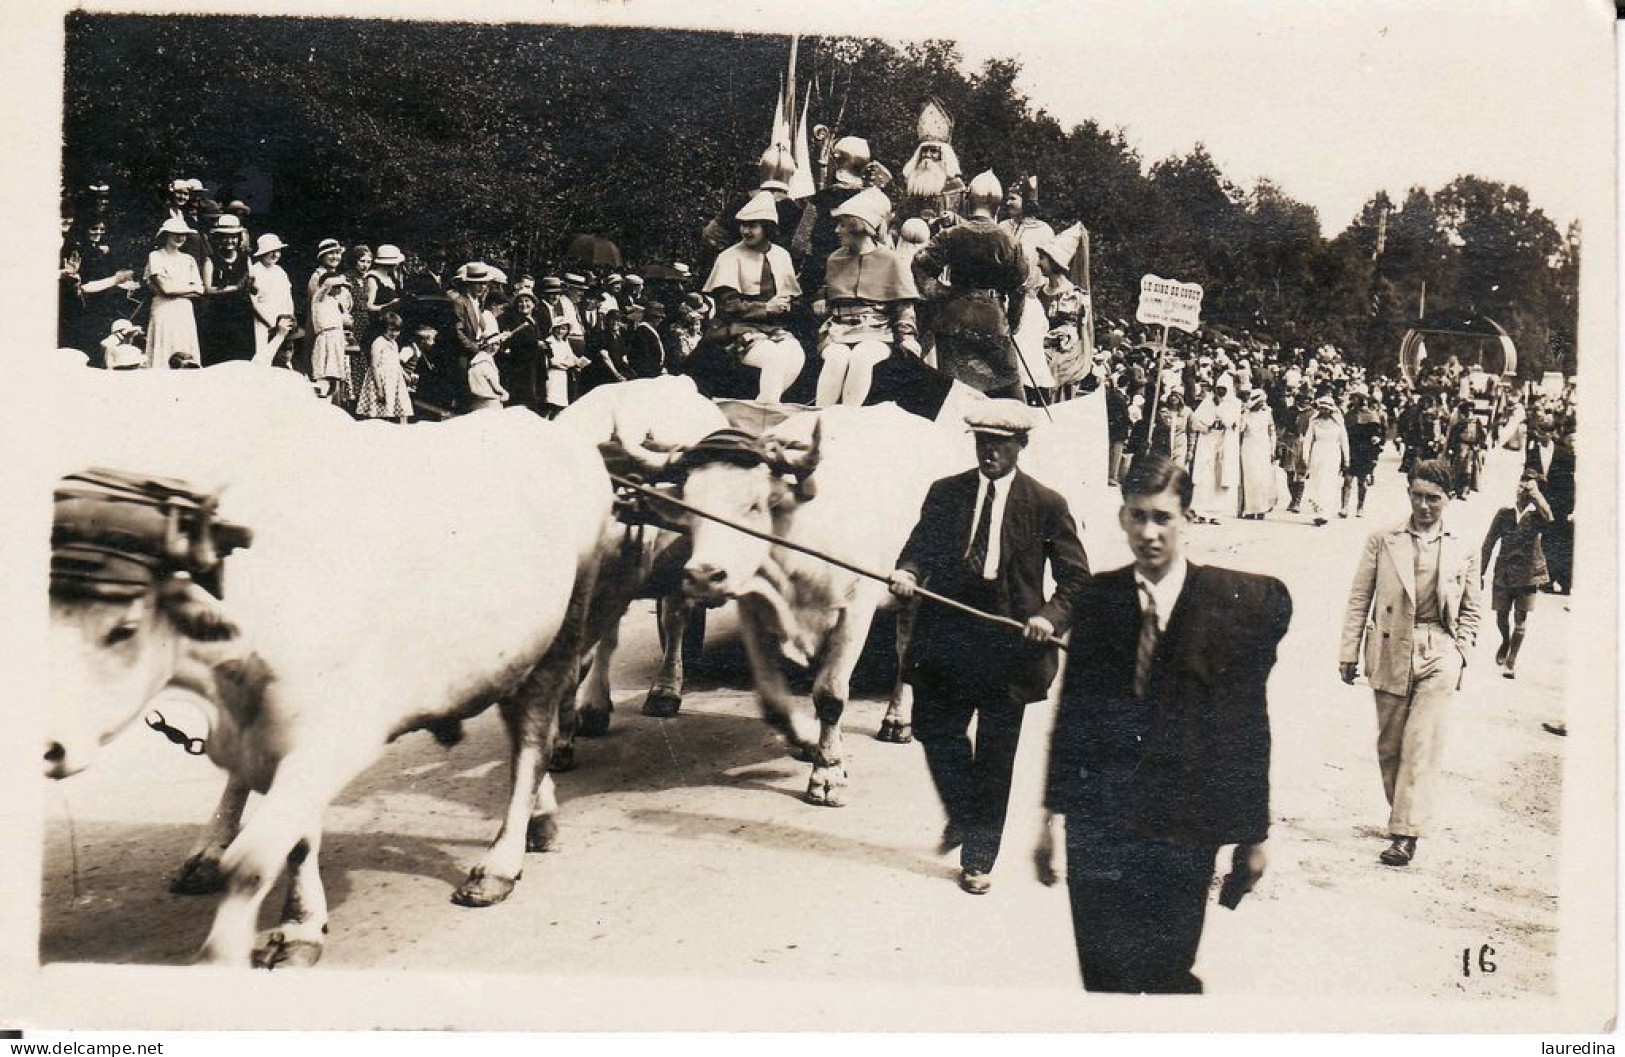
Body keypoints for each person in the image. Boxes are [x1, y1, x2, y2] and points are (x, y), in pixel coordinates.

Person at [1037, 455, 1290, 993]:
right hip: (1098, 827)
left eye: (1163, 518)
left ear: (1188, 519)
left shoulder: (1225, 607)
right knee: (1103, 975)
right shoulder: (1100, 600)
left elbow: (1247, 727)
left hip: (1182, 827)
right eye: (1138, 516)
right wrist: (1050, 816)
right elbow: (1074, 713)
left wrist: (1252, 836)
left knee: (1165, 971)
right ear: (1122, 518)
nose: (1149, 533)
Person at [888, 400, 1090, 895]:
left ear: (1021, 446)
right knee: (935, 730)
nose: (989, 453)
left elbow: (1075, 580)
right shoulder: (945, 494)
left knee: (997, 756)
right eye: (982, 443)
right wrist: (909, 572)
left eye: (999, 445)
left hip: (1012, 643)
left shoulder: (1046, 503)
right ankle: (963, 813)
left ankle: (979, 854)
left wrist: (1048, 617)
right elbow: (920, 547)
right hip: (948, 634)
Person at [1340, 458, 1481, 867]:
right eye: (1417, 496)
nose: (1424, 506)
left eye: (1433, 498)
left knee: (1420, 743)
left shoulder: (1462, 546)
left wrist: (1461, 651)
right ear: (1408, 496)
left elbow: (1473, 607)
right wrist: (1349, 651)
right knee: (1390, 745)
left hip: (1438, 649)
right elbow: (1358, 599)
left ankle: (1405, 833)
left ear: (1448, 499)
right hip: (1389, 647)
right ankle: (1402, 812)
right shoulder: (1383, 540)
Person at [909, 171, 1028, 398]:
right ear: (997, 206)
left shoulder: (952, 235)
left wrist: (937, 292)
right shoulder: (1010, 242)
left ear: (968, 200)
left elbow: (920, 264)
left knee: (956, 390)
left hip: (953, 317)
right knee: (1007, 390)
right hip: (993, 320)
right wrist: (1012, 323)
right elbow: (1018, 289)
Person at [813, 186, 920, 407]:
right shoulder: (835, 259)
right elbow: (829, 287)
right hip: (838, 328)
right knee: (836, 357)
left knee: (862, 356)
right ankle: (821, 416)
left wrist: (907, 337)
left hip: (877, 331)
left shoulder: (892, 261)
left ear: (858, 226)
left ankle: (849, 415)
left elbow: (904, 307)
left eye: (843, 224)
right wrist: (822, 297)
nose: (837, 231)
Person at [698, 191, 806, 402]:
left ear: (767, 228)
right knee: (774, 360)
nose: (746, 231)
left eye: (753, 225)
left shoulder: (781, 255)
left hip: (774, 329)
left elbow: (792, 296)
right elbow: (729, 306)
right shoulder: (729, 257)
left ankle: (762, 406)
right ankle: (765, 410)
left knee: (796, 356)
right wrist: (766, 309)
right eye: (743, 225)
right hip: (737, 330)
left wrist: (787, 305)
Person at [1480, 470, 1552, 680]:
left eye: (1527, 487)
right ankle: (1505, 641)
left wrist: (1537, 495)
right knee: (1501, 616)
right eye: (1520, 485)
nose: (1521, 490)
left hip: (1528, 574)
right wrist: (1480, 573)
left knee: (1520, 619)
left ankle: (1511, 660)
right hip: (1503, 573)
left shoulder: (1537, 515)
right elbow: (1489, 543)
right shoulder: (1505, 513)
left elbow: (1549, 518)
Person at [143, 217, 205, 370]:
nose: (180, 237)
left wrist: (174, 290)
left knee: (184, 350)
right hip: (163, 310)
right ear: (166, 235)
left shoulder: (188, 259)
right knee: (163, 350)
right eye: (175, 233)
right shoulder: (155, 256)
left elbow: (201, 290)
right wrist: (190, 288)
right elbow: (166, 289)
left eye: (183, 234)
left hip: (184, 311)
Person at [199, 213, 255, 365]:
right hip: (218, 313)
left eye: (233, 237)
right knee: (219, 355)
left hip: (241, 312)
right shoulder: (211, 260)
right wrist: (235, 287)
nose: (229, 241)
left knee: (241, 354)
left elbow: (251, 281)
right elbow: (208, 289)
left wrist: (250, 284)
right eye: (224, 237)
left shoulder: (245, 258)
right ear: (218, 239)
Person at [1187, 377, 1241, 524]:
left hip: (1225, 441)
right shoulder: (1207, 402)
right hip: (1208, 439)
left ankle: (1216, 513)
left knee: (1220, 476)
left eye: (1224, 389)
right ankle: (1200, 512)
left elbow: (1235, 423)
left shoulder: (1235, 403)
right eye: (1219, 389)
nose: (1221, 392)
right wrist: (1207, 426)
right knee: (1204, 475)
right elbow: (1195, 421)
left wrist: (1222, 415)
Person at [355, 311, 413, 423]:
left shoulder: (394, 344)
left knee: (401, 405)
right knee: (379, 408)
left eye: (397, 330)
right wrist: (379, 388)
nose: (395, 333)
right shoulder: (378, 342)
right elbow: (374, 365)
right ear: (384, 329)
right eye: (391, 330)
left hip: (394, 380)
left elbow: (396, 363)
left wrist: (405, 375)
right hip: (381, 380)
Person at [248, 233, 297, 367]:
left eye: (277, 251)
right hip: (263, 321)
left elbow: (288, 296)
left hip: (282, 319)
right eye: (271, 251)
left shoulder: (280, 271)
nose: (275, 255)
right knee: (264, 356)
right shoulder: (254, 271)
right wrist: (269, 322)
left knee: (283, 357)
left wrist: (290, 316)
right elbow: (253, 302)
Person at [1300, 395, 1349, 527]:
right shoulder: (1314, 422)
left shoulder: (1338, 423)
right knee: (1317, 482)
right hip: (1317, 453)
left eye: (1327, 409)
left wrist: (1347, 459)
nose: (1324, 411)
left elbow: (1344, 441)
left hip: (1333, 453)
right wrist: (1305, 456)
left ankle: (1326, 512)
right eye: (1322, 409)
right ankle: (1318, 512)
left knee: (1329, 482)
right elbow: (1308, 440)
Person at [309, 274, 353, 403]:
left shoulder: (336, 302)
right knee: (324, 374)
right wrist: (342, 280)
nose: (339, 289)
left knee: (335, 377)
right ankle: (321, 400)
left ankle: (331, 402)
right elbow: (327, 284)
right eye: (337, 286)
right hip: (326, 338)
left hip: (337, 339)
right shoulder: (319, 299)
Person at [1342, 393, 1386, 517]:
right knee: (1347, 479)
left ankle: (1360, 507)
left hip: (1365, 451)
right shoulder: (1349, 415)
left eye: (1356, 399)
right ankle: (1344, 507)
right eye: (1352, 399)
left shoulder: (1371, 415)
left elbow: (1377, 432)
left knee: (1362, 481)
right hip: (1351, 450)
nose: (1354, 401)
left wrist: (1376, 440)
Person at [1237, 389, 1276, 519]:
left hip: (1263, 447)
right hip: (1249, 447)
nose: (1261, 404)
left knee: (1262, 478)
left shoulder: (1267, 413)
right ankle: (1249, 509)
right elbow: (1241, 428)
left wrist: (1272, 449)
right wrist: (1245, 413)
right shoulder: (1246, 414)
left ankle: (1261, 509)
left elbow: (1272, 431)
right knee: (1250, 478)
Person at [467, 337, 508, 411]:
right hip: (490, 404)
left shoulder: (474, 362)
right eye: (497, 344)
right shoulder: (487, 364)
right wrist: (505, 393)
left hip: (475, 404)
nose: (497, 348)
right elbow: (496, 387)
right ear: (490, 345)